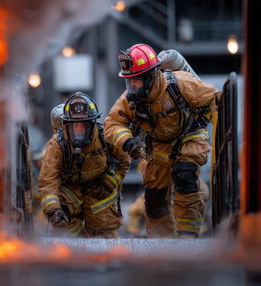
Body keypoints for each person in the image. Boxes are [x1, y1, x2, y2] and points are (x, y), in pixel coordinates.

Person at [104, 43, 220, 238]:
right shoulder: (130, 99)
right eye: (129, 81)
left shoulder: (181, 83)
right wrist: (128, 141)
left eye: (137, 81)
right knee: (154, 198)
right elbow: (112, 123)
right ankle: (163, 240)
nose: (132, 87)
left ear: (151, 76)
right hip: (158, 147)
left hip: (189, 137)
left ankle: (187, 236)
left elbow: (216, 98)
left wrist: (220, 128)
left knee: (185, 175)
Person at [38, 92, 131, 238]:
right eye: (74, 127)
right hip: (69, 193)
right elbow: (47, 181)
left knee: (105, 236)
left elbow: (124, 161)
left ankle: (105, 256)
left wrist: (110, 181)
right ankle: (72, 252)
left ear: (93, 123)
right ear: (66, 125)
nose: (78, 133)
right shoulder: (57, 144)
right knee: (65, 234)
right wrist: (53, 209)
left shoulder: (105, 137)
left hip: (99, 191)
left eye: (83, 127)